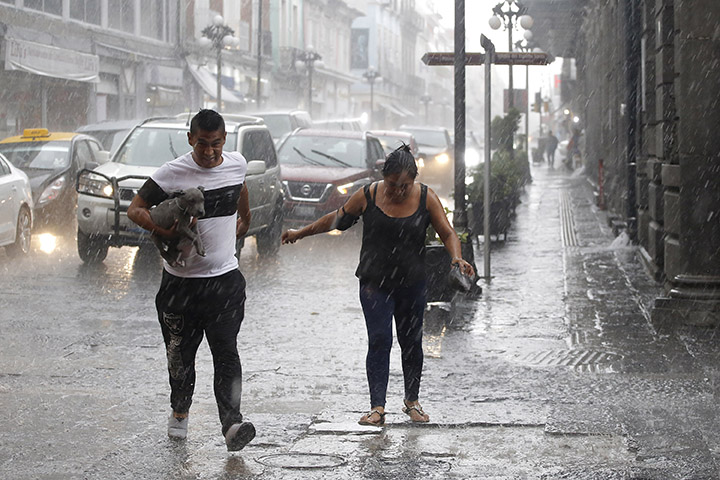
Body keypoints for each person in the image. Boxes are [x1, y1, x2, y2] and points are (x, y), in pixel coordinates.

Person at [281, 144, 475, 426]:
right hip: (375, 283)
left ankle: (412, 402)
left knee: (412, 343)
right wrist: (301, 233)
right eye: (393, 184)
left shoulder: (425, 197)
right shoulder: (369, 195)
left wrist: (456, 257)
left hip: (412, 284)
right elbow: (335, 219)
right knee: (380, 341)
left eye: (405, 185)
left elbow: (447, 232)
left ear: (414, 180)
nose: (398, 190)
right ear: (384, 178)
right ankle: (377, 408)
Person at [127, 109, 255, 451]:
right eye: (202, 145)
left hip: (225, 282)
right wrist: (161, 229)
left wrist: (245, 217)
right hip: (180, 287)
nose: (210, 152)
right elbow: (135, 208)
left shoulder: (237, 163)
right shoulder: (172, 173)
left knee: (226, 353)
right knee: (180, 357)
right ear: (190, 139)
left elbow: (241, 188)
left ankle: (232, 423)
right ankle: (180, 411)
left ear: (225, 139)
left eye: (216, 144)